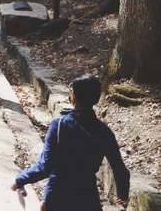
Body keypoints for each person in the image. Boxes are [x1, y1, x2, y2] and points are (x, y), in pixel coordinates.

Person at [11, 73, 130, 211]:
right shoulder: (104, 131)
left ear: (74, 95)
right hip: (88, 201)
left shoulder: (59, 125)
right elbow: (120, 169)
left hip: (57, 198)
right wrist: (122, 194)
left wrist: (20, 179)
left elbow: (44, 167)